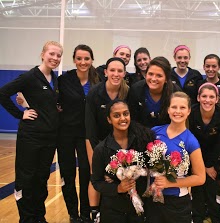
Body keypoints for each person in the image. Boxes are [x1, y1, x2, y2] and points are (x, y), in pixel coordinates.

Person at [0, 41, 63, 223]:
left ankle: (39, 217)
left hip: (49, 139)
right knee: (26, 180)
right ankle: (26, 218)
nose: (55, 58)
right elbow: (2, 93)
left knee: (41, 180)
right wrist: (21, 114)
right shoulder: (29, 77)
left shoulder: (55, 79)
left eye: (58, 55)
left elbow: (47, 103)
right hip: (30, 137)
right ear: (42, 54)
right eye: (52, 53)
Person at [145, 91, 206, 223]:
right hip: (153, 199)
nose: (177, 111)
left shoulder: (191, 141)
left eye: (182, 107)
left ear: (189, 111)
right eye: (174, 107)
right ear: (168, 109)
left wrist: (168, 183)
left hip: (177, 203)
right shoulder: (155, 131)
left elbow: (200, 178)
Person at [91, 99, 155, 223]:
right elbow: (96, 182)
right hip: (112, 211)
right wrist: (118, 188)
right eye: (116, 115)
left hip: (138, 210)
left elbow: (151, 168)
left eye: (126, 114)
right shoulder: (101, 149)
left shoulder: (142, 141)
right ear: (109, 120)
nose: (122, 118)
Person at [57, 44, 99, 223]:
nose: (83, 62)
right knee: (67, 174)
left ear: (91, 60)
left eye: (86, 58)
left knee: (85, 173)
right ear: (74, 59)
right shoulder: (64, 79)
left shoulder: (98, 79)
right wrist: (25, 104)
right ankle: (73, 214)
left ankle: (85, 213)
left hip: (87, 135)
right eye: (79, 58)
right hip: (65, 133)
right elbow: (50, 99)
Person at [85, 57, 129, 222]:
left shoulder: (127, 93)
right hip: (97, 143)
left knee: (117, 178)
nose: (116, 74)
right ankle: (95, 212)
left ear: (124, 73)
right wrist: (96, 157)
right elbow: (89, 129)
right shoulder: (94, 93)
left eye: (119, 71)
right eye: (112, 70)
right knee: (95, 175)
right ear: (105, 72)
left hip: (120, 142)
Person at [189, 83, 220, 223]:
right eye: (204, 96)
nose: (207, 100)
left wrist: (210, 166)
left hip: (213, 159)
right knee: (197, 188)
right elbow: (190, 141)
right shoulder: (191, 113)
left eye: (211, 97)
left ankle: (215, 216)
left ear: (217, 99)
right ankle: (196, 217)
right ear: (198, 98)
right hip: (194, 157)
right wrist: (200, 166)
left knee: (211, 187)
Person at [127, 56, 181, 128]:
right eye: (151, 74)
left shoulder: (176, 93)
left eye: (159, 75)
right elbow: (133, 120)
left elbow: (178, 121)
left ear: (166, 79)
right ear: (146, 75)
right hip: (141, 134)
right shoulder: (136, 90)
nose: (153, 79)